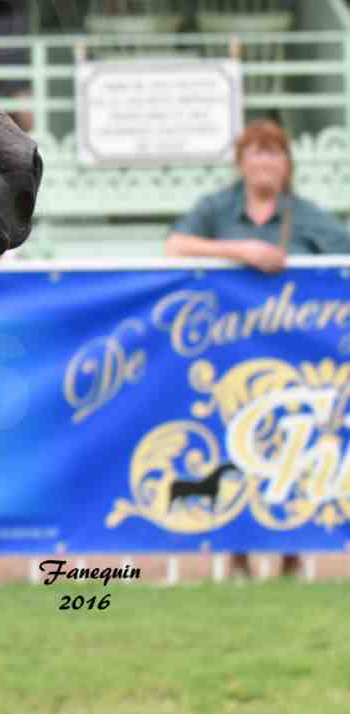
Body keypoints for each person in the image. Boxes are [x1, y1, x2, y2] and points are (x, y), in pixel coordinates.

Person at [165, 118, 350, 579]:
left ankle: (292, 550)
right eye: (256, 152)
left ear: (287, 165)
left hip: (293, 354)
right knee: (229, 443)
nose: (265, 162)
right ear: (241, 162)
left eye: (274, 153)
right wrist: (242, 251)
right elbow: (175, 246)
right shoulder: (217, 208)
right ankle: (236, 552)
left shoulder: (305, 216)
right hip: (229, 354)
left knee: (293, 444)